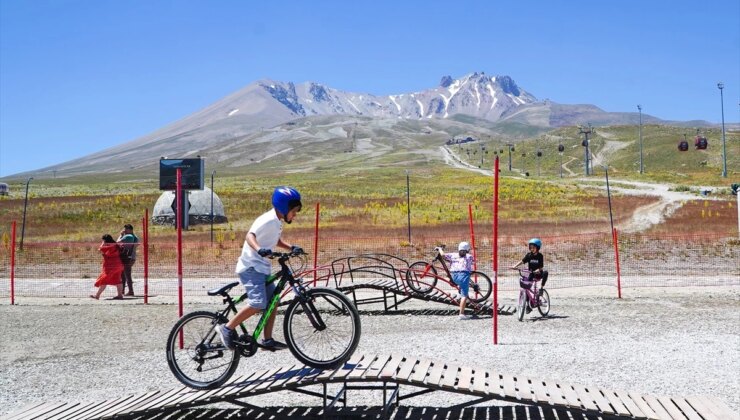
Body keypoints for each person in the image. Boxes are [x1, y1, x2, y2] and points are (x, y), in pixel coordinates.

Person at [217, 186, 303, 351]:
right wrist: (258, 249)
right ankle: (226, 328)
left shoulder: (277, 222)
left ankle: (267, 340)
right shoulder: (268, 219)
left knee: (273, 300)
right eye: (294, 211)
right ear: (284, 207)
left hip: (261, 268)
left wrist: (291, 247)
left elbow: (275, 241)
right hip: (250, 267)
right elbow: (250, 236)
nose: (295, 214)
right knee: (258, 303)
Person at [438, 242, 475, 320]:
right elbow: (473, 262)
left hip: (454, 276)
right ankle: (461, 314)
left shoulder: (453, 255)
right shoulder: (469, 256)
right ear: (467, 250)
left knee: (460, 285)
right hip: (464, 276)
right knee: (464, 295)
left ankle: (459, 293)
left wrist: (440, 249)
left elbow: (443, 255)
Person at [90, 234, 124, 300]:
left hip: (111, 266)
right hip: (119, 265)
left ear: (105, 240)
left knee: (104, 280)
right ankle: (120, 295)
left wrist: (103, 243)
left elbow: (100, 249)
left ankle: (97, 296)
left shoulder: (109, 246)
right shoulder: (116, 245)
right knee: (118, 280)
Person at [117, 224, 139, 296]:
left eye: (126, 229)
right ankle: (123, 290)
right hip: (132, 257)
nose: (124, 230)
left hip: (127, 258)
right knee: (124, 274)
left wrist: (121, 235)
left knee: (126, 274)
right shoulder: (135, 237)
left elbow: (117, 242)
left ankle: (130, 291)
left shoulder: (128, 236)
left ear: (130, 230)